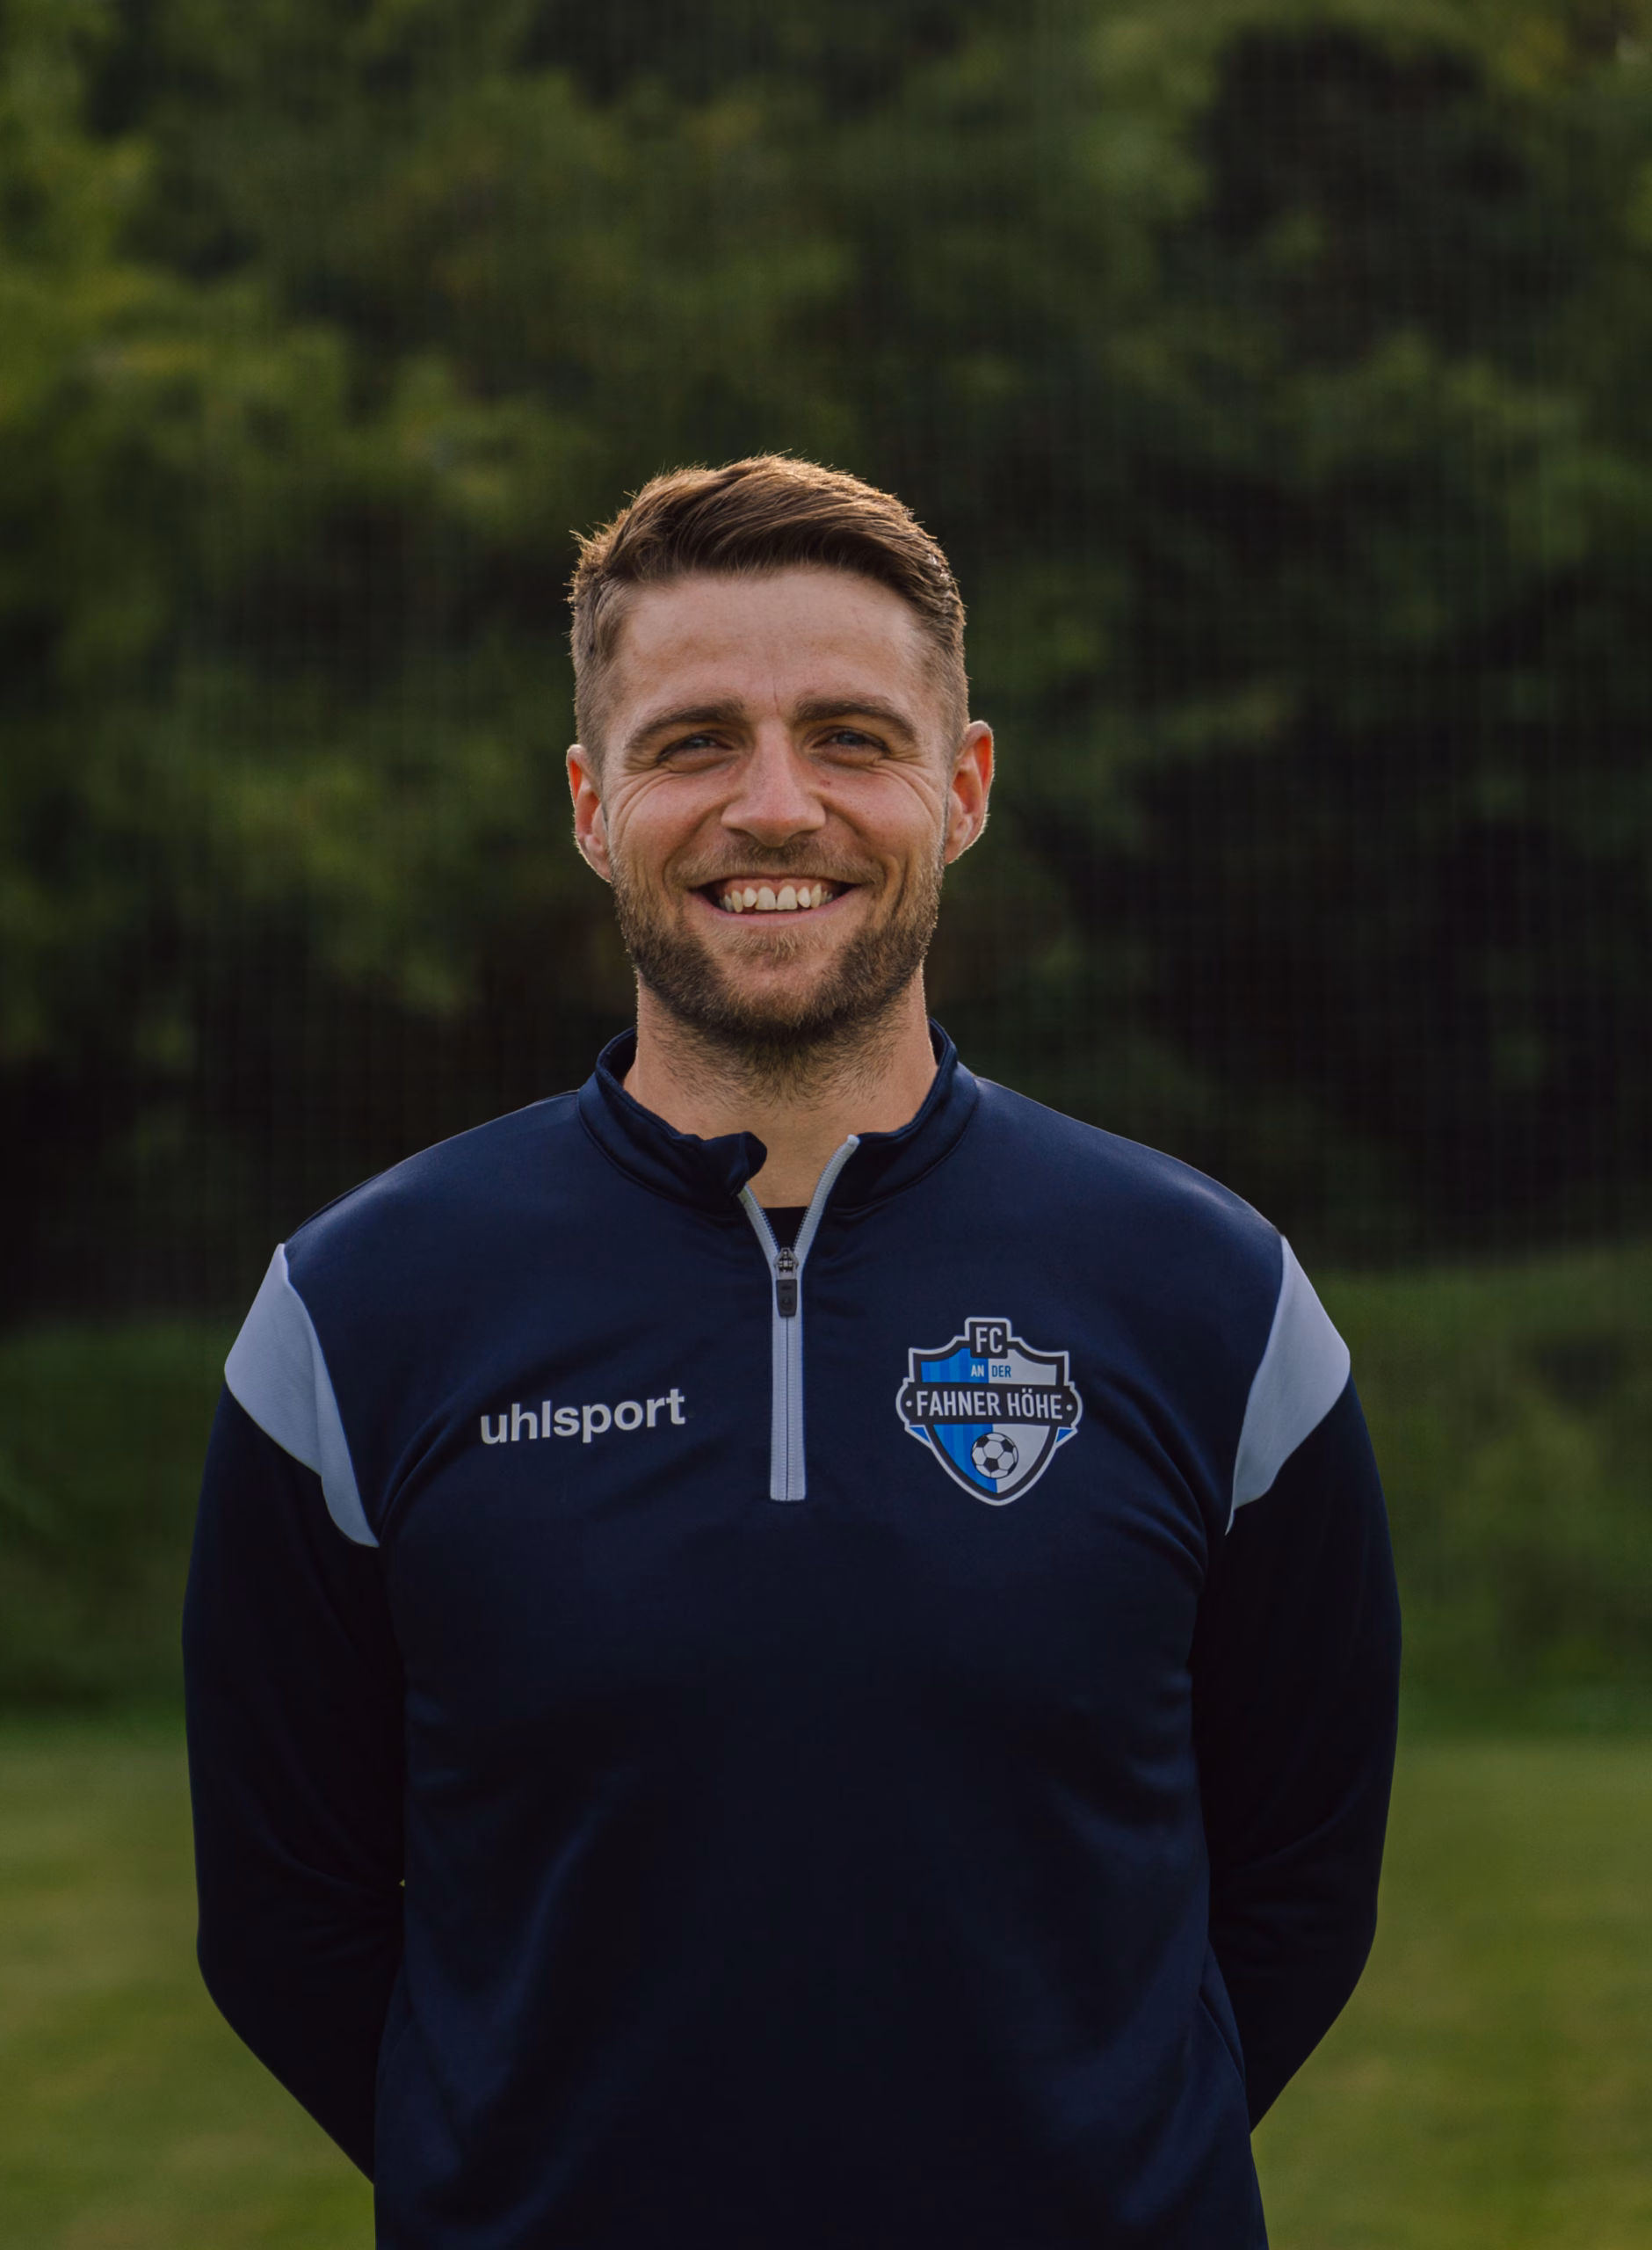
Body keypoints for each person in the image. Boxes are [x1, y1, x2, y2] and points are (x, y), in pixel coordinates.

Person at [184, 454, 1401, 2249]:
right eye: (693, 743)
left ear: (960, 787)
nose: (774, 806)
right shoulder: (357, 1314)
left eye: (849, 737)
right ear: (591, 804)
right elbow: (287, 1916)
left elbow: (1299, 1882)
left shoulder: (1214, 1300)